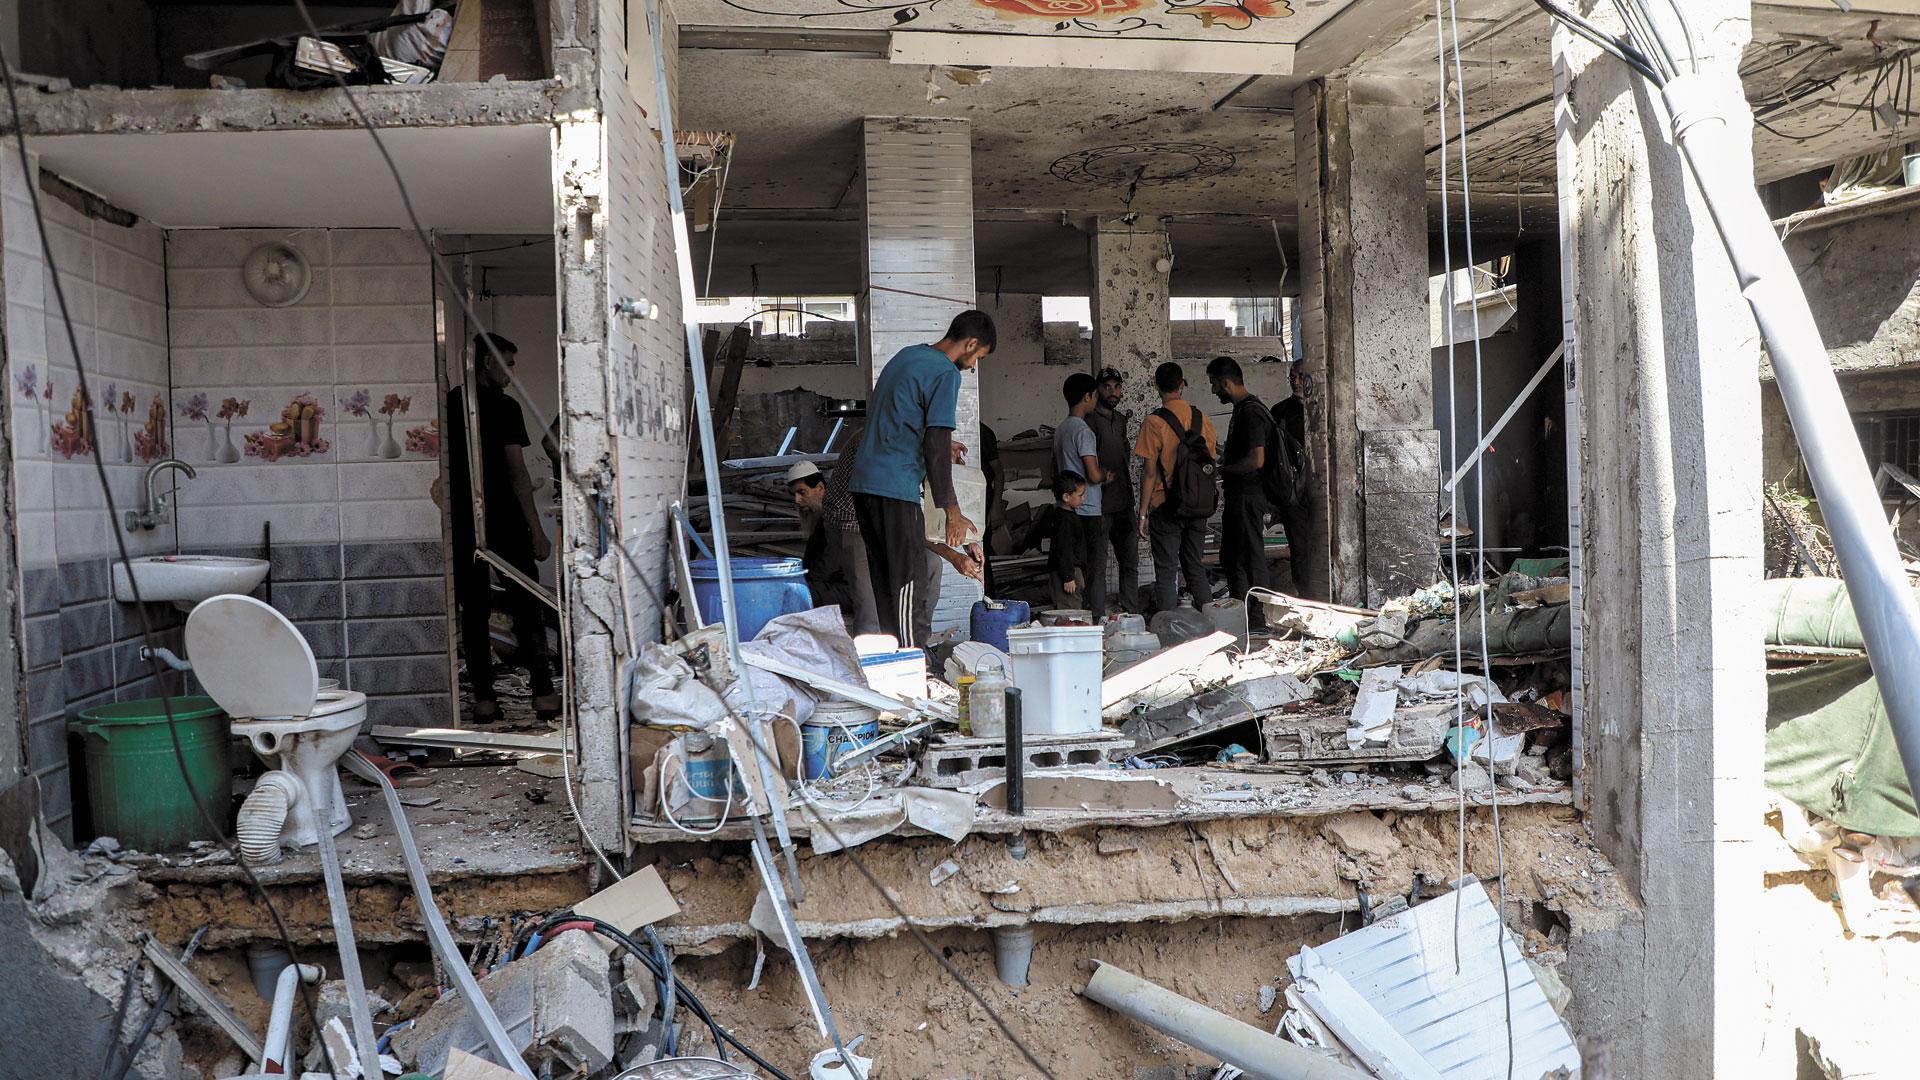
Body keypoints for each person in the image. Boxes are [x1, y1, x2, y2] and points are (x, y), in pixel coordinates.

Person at [848, 310, 993, 641]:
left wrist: (940, 444)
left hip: (867, 484)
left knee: (888, 587)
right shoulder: (945, 372)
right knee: (910, 589)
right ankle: (911, 665)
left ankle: (892, 667)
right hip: (893, 486)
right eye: (978, 358)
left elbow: (901, 421)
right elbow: (936, 444)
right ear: (970, 344)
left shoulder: (908, 356)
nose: (972, 367)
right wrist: (952, 513)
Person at [446, 333, 556, 723]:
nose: (511, 373)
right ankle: (543, 694)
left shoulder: (449, 404)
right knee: (527, 603)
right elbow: (517, 472)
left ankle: (484, 701)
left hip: (460, 520)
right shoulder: (504, 407)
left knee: (473, 612)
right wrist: (537, 529)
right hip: (505, 519)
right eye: (507, 364)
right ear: (489, 363)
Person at [1133, 361, 1217, 613]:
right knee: (1194, 566)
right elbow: (1209, 463)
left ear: (1156, 386)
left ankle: (1168, 629)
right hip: (1198, 505)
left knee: (1167, 571)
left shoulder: (1153, 423)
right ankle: (1213, 625)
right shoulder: (1202, 419)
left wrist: (1143, 513)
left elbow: (1149, 473)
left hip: (1165, 507)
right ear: (1182, 385)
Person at [1207, 356, 1275, 611]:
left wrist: (1224, 469)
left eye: (1214, 384)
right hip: (1239, 497)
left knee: (1251, 558)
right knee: (1232, 557)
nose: (1213, 391)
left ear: (1226, 383)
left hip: (1249, 496)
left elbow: (1256, 460)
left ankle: (1260, 616)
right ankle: (1242, 614)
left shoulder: (1251, 412)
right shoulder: (1242, 409)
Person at [1051, 372, 1108, 619]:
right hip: (1089, 509)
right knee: (1093, 571)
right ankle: (1094, 620)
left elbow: (1054, 468)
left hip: (1070, 508)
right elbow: (1093, 475)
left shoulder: (1060, 429)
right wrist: (1107, 475)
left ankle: (1078, 617)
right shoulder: (1084, 431)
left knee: (1076, 566)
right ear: (1087, 396)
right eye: (1095, 395)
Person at [788, 461, 866, 628]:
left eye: (802, 493)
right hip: (835, 586)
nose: (797, 500)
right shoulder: (824, 519)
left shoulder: (835, 517)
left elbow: (829, 563)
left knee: (797, 594)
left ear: (820, 489)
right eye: (794, 494)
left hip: (849, 590)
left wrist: (803, 583)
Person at [1087, 367, 1138, 613]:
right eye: (1107, 386)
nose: (1113, 392)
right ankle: (1096, 618)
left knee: (1130, 562)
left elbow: (1125, 456)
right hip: (1098, 505)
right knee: (1098, 565)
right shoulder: (1088, 421)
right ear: (1097, 389)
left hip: (1124, 501)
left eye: (1117, 386)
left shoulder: (1120, 421)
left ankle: (1131, 614)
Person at [1272, 360, 1313, 597]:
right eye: (1292, 377)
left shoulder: (1327, 407)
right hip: (1294, 495)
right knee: (1299, 550)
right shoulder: (1281, 413)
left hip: (1325, 492)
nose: (1295, 382)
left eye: (1300, 377)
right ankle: (1306, 598)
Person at [1047, 473, 1092, 611]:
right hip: (1068, 572)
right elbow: (1063, 548)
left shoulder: (1065, 515)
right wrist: (1068, 577)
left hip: (1071, 570)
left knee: (1073, 605)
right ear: (1066, 497)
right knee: (1070, 610)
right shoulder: (1064, 520)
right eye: (1080, 495)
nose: (1083, 498)